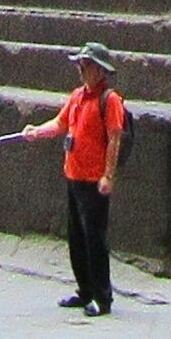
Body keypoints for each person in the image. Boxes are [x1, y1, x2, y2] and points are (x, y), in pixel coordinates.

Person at [21, 40, 126, 316]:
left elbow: (115, 138)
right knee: (77, 238)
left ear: (100, 70)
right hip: (74, 176)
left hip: (94, 181)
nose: (81, 70)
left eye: (87, 65)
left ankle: (102, 298)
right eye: (80, 65)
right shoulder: (78, 96)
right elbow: (59, 123)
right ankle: (85, 291)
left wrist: (108, 176)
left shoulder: (110, 100)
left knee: (95, 240)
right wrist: (36, 132)